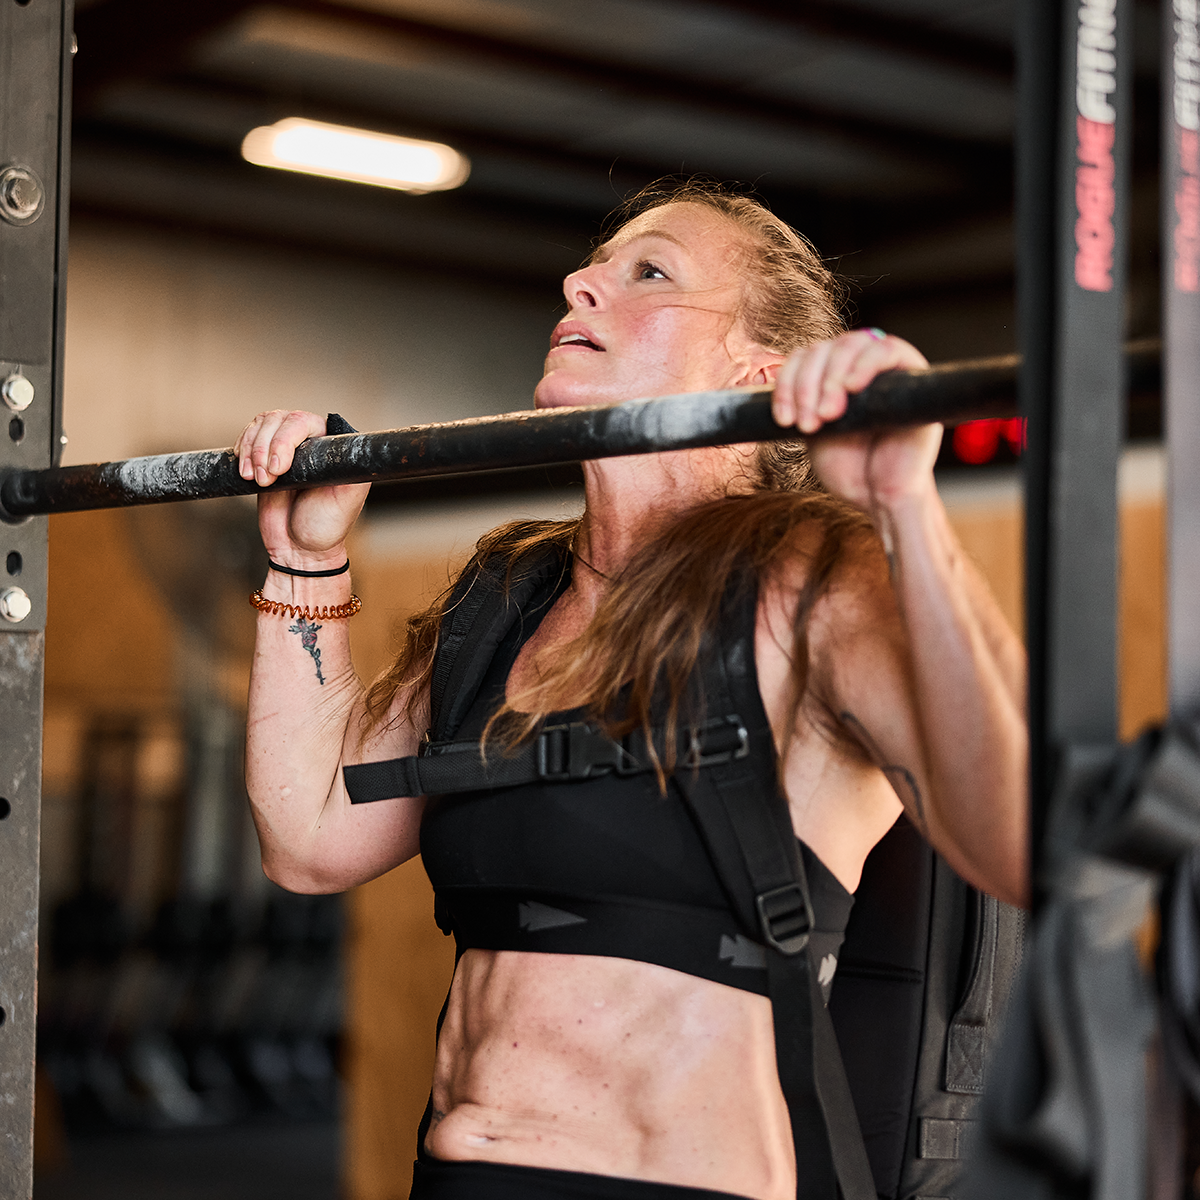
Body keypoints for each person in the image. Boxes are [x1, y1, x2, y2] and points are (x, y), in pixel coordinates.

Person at [235, 182, 1027, 1200]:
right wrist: (306, 559)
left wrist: (904, 507)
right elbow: (309, 840)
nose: (582, 283)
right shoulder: (512, 591)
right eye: (593, 266)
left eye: (648, 271)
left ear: (760, 371)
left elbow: (1018, 840)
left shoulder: (810, 577)